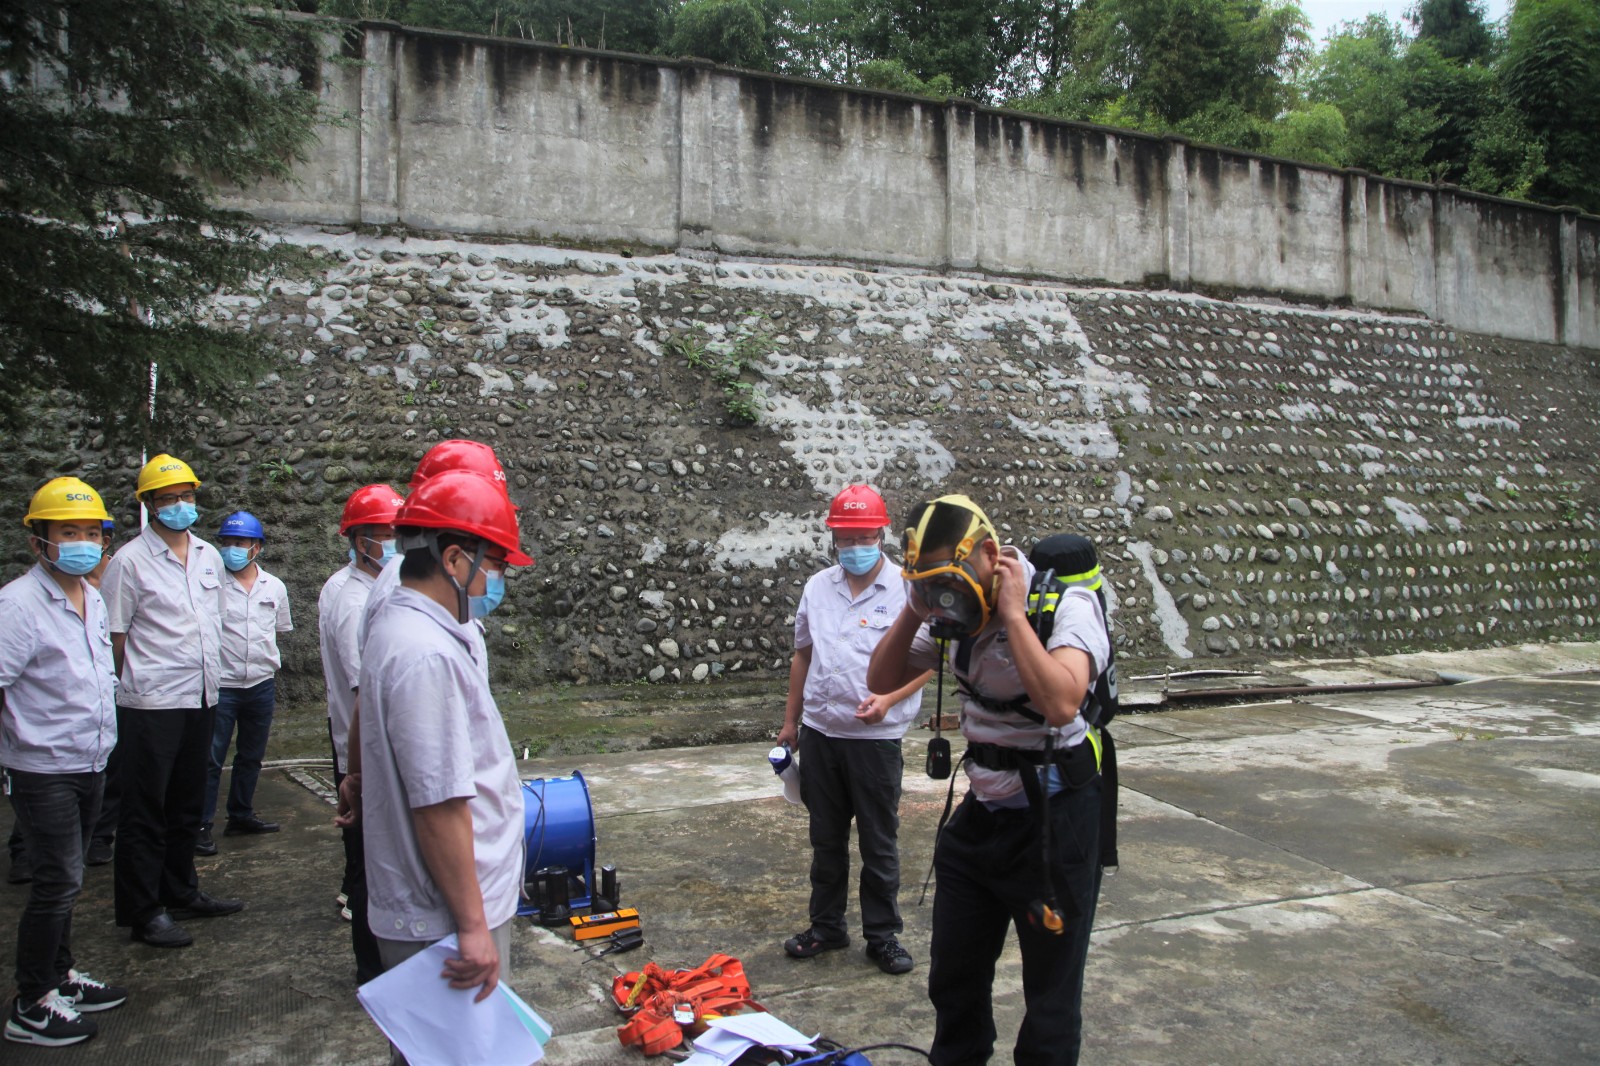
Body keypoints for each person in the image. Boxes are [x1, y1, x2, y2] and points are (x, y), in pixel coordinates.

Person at [866, 494, 1110, 1066]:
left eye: (948, 581)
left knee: (1050, 996)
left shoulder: (1065, 605)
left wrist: (1015, 615)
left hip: (1055, 824)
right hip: (982, 815)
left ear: (990, 555)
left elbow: (1061, 703)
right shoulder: (950, 616)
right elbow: (880, 678)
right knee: (953, 976)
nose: (943, 597)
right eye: (929, 584)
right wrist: (915, 606)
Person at [360, 469, 532, 1062]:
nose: (498, 580)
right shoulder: (424, 654)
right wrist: (474, 927)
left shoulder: (405, 625)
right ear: (455, 559)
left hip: (444, 908)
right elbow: (439, 805)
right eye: (497, 564)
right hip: (446, 918)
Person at [776, 485, 931, 975]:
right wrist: (791, 722)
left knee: (878, 842)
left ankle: (883, 936)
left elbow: (929, 661)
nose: (855, 547)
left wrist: (889, 699)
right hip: (821, 735)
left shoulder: (909, 590)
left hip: (875, 742)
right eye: (846, 538)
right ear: (834, 538)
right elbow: (803, 655)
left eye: (864, 537)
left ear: (882, 533)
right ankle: (826, 927)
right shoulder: (818, 587)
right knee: (825, 840)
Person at [1, 478, 126, 1046]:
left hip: (89, 758)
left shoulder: (91, 596)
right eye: (68, 532)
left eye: (92, 533)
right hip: (41, 766)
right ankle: (31, 1003)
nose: (83, 543)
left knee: (67, 880)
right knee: (56, 881)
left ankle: (60, 975)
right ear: (39, 542)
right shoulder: (17, 606)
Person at [100, 454, 243, 949]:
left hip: (201, 695)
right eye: (168, 499)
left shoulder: (207, 556)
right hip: (150, 703)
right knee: (145, 810)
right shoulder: (128, 562)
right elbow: (116, 636)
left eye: (186, 496)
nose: (180, 505)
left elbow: (213, 621)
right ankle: (143, 910)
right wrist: (137, 684)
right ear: (149, 504)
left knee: (187, 803)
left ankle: (181, 890)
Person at [320, 483, 405, 983]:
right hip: (366, 750)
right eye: (384, 533)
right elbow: (364, 694)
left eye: (397, 531)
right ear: (359, 540)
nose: (393, 541)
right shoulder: (354, 599)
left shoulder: (360, 587)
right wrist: (360, 770)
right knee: (370, 870)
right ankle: (375, 972)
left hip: (360, 748)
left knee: (367, 864)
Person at [198, 511, 292, 855]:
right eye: (227, 542)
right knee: (211, 758)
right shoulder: (211, 586)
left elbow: (279, 628)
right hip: (222, 684)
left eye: (240, 542)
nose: (232, 549)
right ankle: (201, 825)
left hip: (261, 683)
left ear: (257, 547)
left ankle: (240, 814)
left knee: (251, 755)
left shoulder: (274, 587)